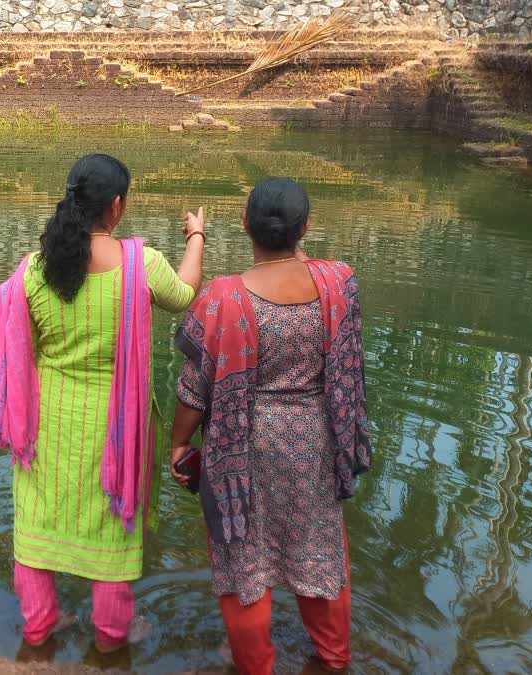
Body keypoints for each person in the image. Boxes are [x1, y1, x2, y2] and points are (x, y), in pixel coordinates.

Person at [0, 153, 206, 653]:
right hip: (117, 427)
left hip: (46, 423)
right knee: (113, 524)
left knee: (39, 523)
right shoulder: (139, 264)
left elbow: (22, 349)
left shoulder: (35, 270)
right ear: (118, 206)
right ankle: (110, 641)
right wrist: (196, 236)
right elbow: (187, 292)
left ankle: (40, 628)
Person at [169, 177, 372, 674]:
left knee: (244, 561)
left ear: (244, 225)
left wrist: (177, 443)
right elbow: (348, 366)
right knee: (319, 549)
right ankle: (333, 658)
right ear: (306, 226)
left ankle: (255, 666)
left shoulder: (223, 298)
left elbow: (196, 389)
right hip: (314, 442)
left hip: (241, 448)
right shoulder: (338, 282)